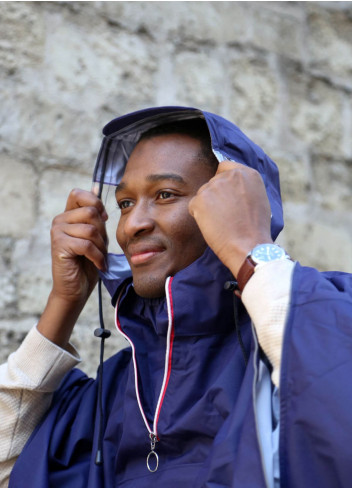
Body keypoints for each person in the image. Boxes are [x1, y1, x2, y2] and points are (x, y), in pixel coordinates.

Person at [1, 106, 351, 488]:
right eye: (125, 203)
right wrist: (65, 300)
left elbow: (333, 405)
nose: (132, 225)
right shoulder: (115, 386)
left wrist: (251, 251)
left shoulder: (325, 312)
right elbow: (9, 462)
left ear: (232, 203)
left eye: (165, 194)